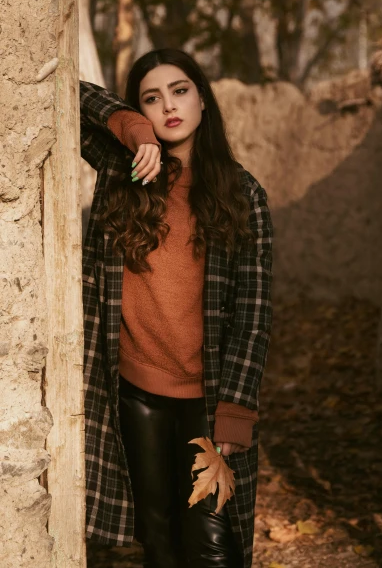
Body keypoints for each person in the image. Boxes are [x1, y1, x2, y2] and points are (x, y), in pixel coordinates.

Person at [80, 48, 273, 568]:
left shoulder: (242, 192)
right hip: (133, 392)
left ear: (203, 100)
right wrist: (131, 128)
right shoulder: (124, 169)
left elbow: (253, 314)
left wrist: (235, 411)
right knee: (158, 539)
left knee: (213, 544)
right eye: (151, 97)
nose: (168, 105)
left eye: (180, 90)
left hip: (205, 397)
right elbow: (66, 97)